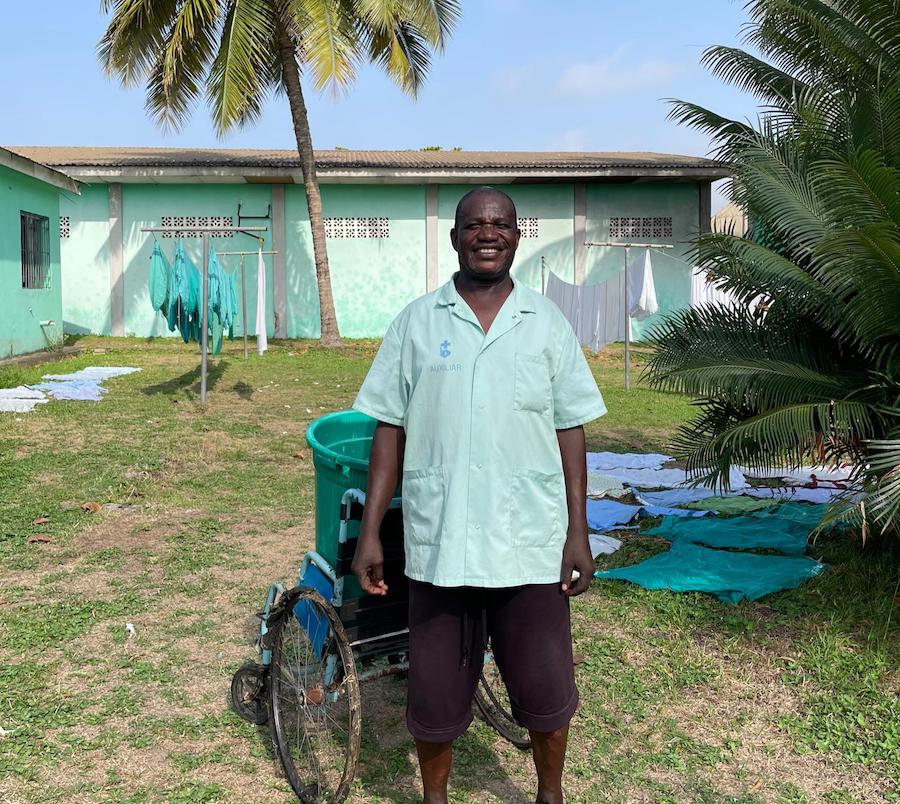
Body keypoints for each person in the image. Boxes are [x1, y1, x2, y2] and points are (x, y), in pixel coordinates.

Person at [351, 187, 606, 804]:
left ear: (517, 236)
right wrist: (369, 534)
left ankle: (549, 794)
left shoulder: (546, 323)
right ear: (455, 236)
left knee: (547, 693)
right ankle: (435, 797)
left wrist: (578, 531)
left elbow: (569, 429)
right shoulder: (417, 321)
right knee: (434, 697)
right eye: (474, 224)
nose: (487, 234)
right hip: (446, 543)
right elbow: (390, 428)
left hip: (529, 543)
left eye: (501, 224)